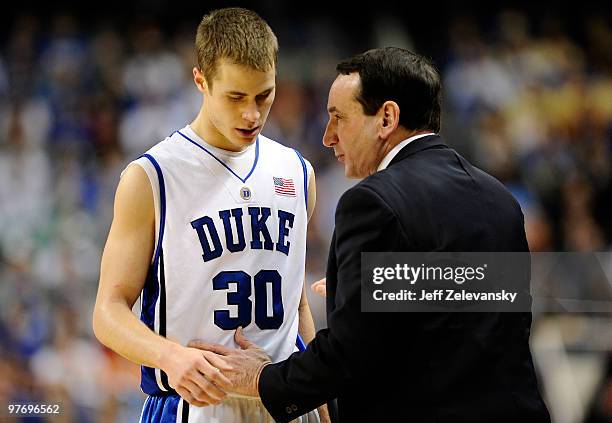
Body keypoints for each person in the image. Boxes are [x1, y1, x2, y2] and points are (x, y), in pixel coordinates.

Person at [189, 47, 552, 423]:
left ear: (386, 118)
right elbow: (490, 297)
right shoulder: (498, 195)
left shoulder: (372, 201)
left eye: (338, 118)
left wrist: (263, 379)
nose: (328, 137)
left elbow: (347, 356)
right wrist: (380, 284)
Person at [93, 8, 323, 422]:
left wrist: (321, 410)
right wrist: (169, 357)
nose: (252, 114)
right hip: (194, 404)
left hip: (286, 398)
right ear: (200, 80)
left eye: (263, 96)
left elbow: (297, 303)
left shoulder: (297, 171)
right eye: (235, 97)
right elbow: (108, 311)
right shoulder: (151, 177)